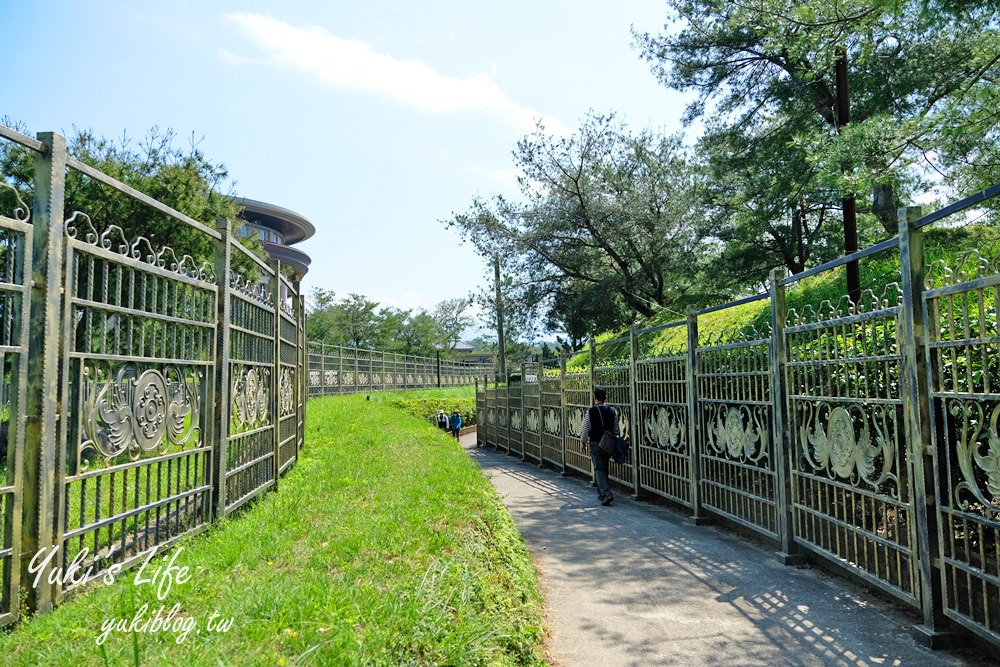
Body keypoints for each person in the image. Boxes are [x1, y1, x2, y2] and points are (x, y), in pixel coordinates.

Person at [580, 387, 619, 506]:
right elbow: (616, 428)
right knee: (604, 466)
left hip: (596, 442)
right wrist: (616, 441)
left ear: (594, 398)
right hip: (608, 443)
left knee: (599, 468)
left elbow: (586, 428)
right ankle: (601, 493)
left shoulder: (590, 412)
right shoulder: (612, 410)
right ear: (605, 397)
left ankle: (606, 494)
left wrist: (583, 441)